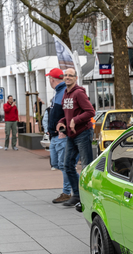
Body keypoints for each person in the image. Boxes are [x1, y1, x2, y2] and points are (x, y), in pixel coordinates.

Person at [55, 68, 96, 207]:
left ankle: (90, 197)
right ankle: (77, 195)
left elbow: (91, 111)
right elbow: (69, 114)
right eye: (65, 75)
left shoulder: (78, 93)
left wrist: (75, 120)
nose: (67, 77)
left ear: (76, 78)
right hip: (71, 135)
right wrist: (62, 120)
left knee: (86, 167)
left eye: (70, 76)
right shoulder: (65, 94)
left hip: (83, 133)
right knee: (68, 165)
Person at [46, 67, 74, 204]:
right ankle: (75, 187)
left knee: (64, 165)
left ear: (52, 79)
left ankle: (68, 192)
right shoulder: (59, 92)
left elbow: (67, 114)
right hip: (54, 135)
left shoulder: (63, 92)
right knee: (57, 163)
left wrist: (63, 131)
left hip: (61, 136)